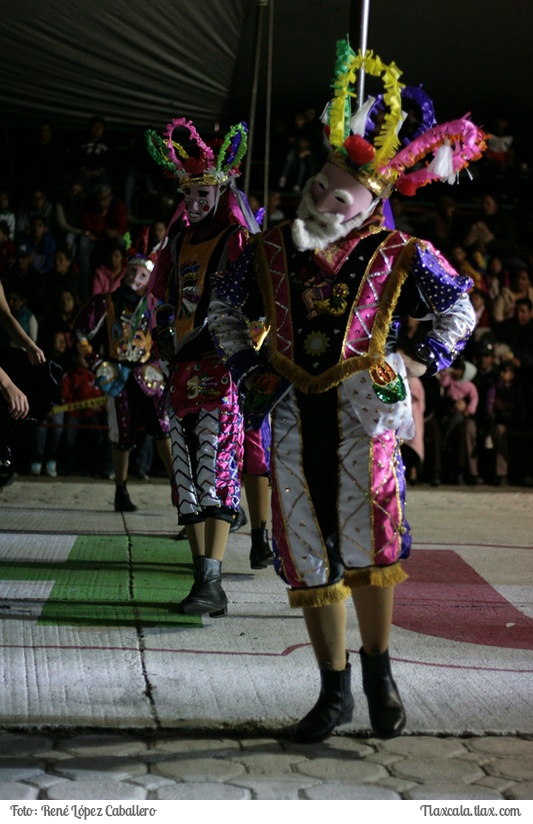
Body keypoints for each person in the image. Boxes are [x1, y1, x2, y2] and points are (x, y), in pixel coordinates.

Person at [209, 41, 484, 742]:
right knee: (305, 549)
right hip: (292, 416)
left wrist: (416, 362)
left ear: (371, 201)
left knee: (370, 546)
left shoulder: (402, 255)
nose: (324, 200)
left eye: (341, 193)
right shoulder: (267, 249)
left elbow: (460, 309)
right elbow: (219, 312)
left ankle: (378, 676)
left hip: (366, 419)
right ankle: (331, 693)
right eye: (318, 186)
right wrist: (245, 368)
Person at [146, 115, 261, 615]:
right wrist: (164, 333)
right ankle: (201, 580)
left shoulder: (235, 239)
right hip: (183, 367)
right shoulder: (177, 242)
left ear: (220, 192)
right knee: (186, 476)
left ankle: (214, 579)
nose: (193, 204)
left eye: (203, 194)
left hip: (219, 366)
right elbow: (166, 296)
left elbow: (252, 302)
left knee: (217, 464)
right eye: (187, 195)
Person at [74, 233, 173, 512]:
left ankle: (179, 489)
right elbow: (81, 332)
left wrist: (161, 365)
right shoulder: (103, 303)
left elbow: (164, 337)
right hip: (116, 375)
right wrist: (96, 362)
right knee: (121, 434)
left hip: (147, 376)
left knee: (162, 429)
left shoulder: (154, 305)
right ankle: (120, 490)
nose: (135, 277)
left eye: (142, 273)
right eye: (132, 271)